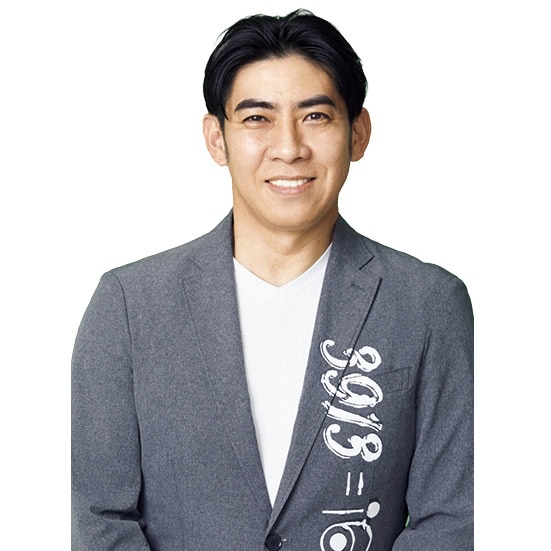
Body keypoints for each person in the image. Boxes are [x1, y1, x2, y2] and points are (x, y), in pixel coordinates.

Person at [71, 9, 473, 551]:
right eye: (258, 118)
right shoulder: (128, 306)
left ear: (358, 133)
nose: (288, 147)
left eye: (316, 116)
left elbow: (451, 518)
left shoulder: (429, 305)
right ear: (217, 138)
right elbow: (101, 517)